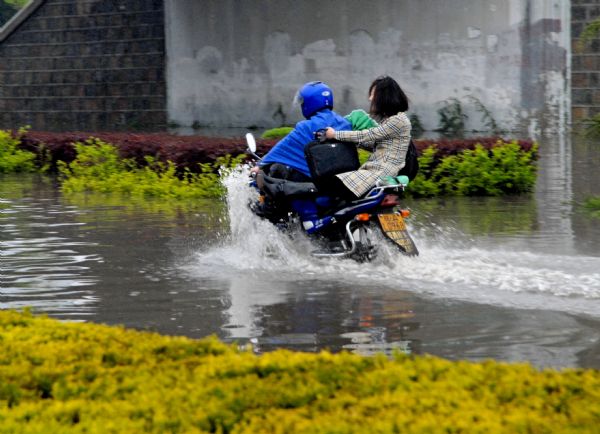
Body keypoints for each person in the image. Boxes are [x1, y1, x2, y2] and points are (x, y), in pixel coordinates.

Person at [323, 75, 411, 199]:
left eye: (373, 94)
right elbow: (375, 145)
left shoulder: (398, 120)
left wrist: (335, 134)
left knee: (332, 185)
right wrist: (353, 142)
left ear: (384, 97)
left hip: (380, 172)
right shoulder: (392, 120)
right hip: (378, 170)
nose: (370, 99)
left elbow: (369, 134)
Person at [253, 81, 352, 182]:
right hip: (343, 180)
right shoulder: (345, 123)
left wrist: (259, 166)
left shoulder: (306, 126)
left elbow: (281, 149)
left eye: (303, 102)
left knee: (276, 169)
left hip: (316, 182)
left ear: (309, 102)